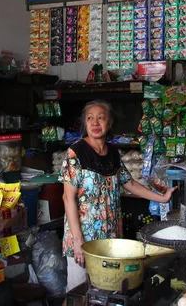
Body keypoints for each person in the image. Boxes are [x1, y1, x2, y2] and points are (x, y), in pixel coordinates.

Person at [61, 100, 177, 293]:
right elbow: (68, 198)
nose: (95, 123)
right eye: (90, 118)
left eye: (101, 118)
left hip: (110, 239)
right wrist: (78, 241)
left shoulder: (113, 153)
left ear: (109, 122)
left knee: (107, 289)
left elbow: (129, 183)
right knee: (79, 292)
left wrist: (161, 198)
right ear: (85, 123)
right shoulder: (76, 152)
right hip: (83, 237)